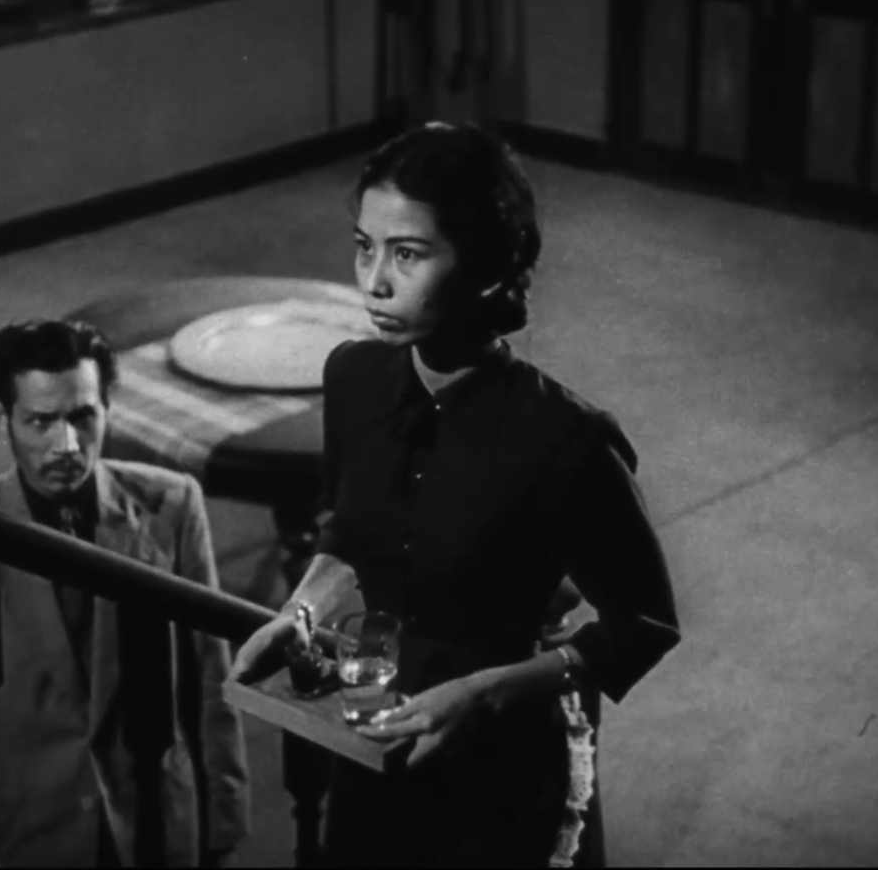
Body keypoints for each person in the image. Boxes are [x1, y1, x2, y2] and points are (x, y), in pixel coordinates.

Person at [231, 122, 681, 867]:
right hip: (377, 733)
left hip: (506, 771)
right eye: (364, 246)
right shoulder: (353, 377)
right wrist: (300, 614)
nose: (374, 280)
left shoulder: (564, 437)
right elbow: (347, 530)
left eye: (407, 253)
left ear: (486, 264)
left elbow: (645, 624)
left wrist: (486, 692)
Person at [0, 319, 250, 867]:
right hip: (30, 838)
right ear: (3, 419)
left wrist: (222, 833)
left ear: (107, 410)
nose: (67, 445)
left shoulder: (171, 507)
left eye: (83, 417)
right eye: (41, 422)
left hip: (157, 826)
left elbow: (211, 683)